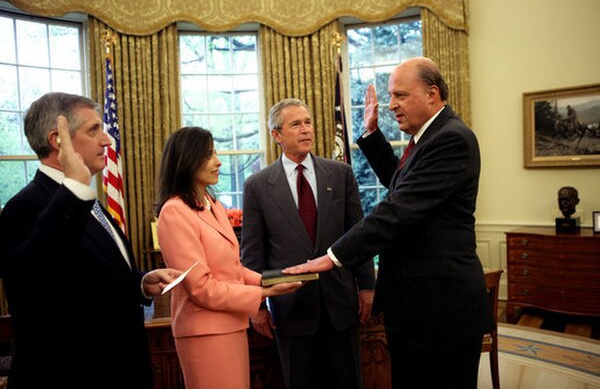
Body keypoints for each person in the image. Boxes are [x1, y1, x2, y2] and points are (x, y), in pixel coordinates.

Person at [284, 58, 494, 389]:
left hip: (440, 309)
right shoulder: (428, 137)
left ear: (432, 93)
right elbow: (403, 185)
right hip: (416, 306)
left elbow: (399, 210)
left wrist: (334, 256)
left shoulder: (451, 138)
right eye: (390, 96)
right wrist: (371, 134)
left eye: (400, 95)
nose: (391, 105)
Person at [0, 92, 182, 388]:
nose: (107, 140)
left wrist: (139, 283)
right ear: (58, 140)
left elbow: (84, 280)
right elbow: (34, 287)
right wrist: (73, 187)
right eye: (93, 130)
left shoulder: (86, 201)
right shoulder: (26, 206)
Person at [241, 99, 376, 389]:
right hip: (291, 310)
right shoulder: (257, 185)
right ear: (277, 135)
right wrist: (256, 305)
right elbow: (253, 252)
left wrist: (367, 286)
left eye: (308, 122)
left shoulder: (340, 174)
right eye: (296, 124)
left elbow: (359, 234)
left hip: (341, 305)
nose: (306, 130)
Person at [154, 126, 301, 389]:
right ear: (188, 159)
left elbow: (233, 267)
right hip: (204, 333)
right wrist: (265, 294)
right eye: (209, 155)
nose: (218, 161)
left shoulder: (213, 204)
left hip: (231, 326)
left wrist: (270, 280)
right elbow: (201, 288)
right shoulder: (174, 212)